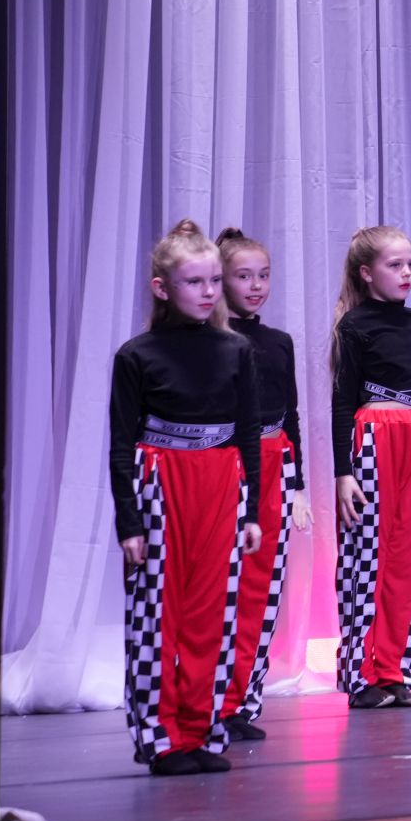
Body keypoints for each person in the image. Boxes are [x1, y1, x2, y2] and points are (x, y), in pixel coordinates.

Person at [110, 219, 261, 774]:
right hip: (160, 481)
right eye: (194, 282)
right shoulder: (137, 355)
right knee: (158, 614)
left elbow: (248, 433)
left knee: (211, 615)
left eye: (214, 281)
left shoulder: (235, 349)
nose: (208, 292)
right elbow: (121, 443)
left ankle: (201, 731)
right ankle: (161, 738)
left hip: (220, 480)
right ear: (162, 287)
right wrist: (129, 523)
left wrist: (251, 510)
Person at [330, 224, 411, 710]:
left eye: (410, 264)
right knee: (368, 557)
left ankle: (395, 670)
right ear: (366, 272)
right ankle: (362, 675)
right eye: (394, 265)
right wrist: (343, 471)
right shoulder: (355, 326)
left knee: (409, 558)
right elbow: (342, 402)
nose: (406, 273)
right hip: (375, 436)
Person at [213, 227, 310, 742]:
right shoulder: (214, 342)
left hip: (276, 463)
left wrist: (298, 487)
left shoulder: (278, 342)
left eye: (263, 276)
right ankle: (210, 701)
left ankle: (242, 702)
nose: (255, 286)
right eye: (243, 276)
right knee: (225, 589)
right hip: (230, 466)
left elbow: (291, 415)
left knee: (263, 590)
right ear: (220, 279)